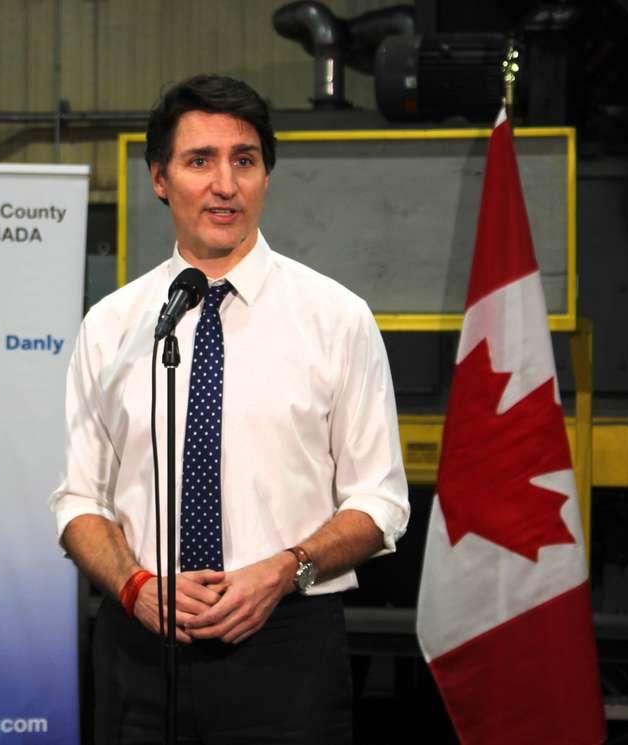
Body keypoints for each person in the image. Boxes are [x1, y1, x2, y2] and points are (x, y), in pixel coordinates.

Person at [49, 74, 409, 745]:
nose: (225, 184)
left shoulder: (337, 318)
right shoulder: (113, 325)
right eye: (199, 161)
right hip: (140, 652)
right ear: (160, 179)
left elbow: (381, 501)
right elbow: (77, 502)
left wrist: (284, 569)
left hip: (287, 650)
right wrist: (134, 585)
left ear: (266, 175)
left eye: (244, 160)